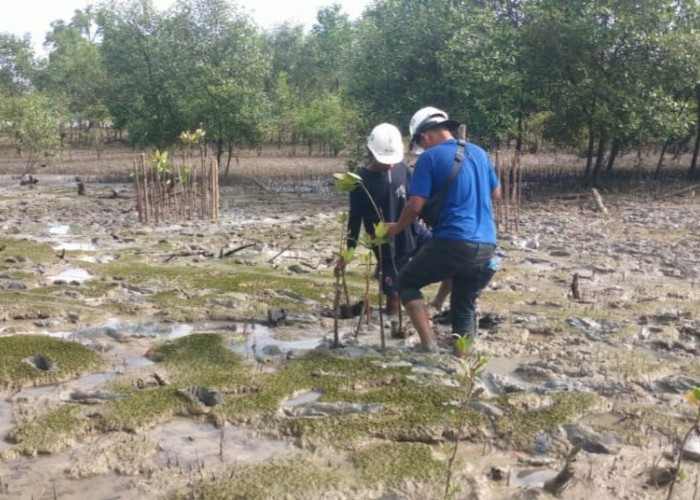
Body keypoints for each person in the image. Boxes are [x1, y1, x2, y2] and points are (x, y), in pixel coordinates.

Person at [386, 106, 501, 352]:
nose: (422, 147)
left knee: (406, 282)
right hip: (487, 244)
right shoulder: (480, 153)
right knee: (464, 305)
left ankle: (428, 346)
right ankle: (463, 360)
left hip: (453, 240)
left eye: (420, 142)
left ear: (424, 136)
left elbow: (415, 206)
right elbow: (496, 193)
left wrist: (396, 227)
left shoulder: (429, 158)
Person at [346, 122, 430, 318]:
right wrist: (347, 254)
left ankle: (434, 303)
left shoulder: (403, 169)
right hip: (384, 242)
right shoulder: (360, 181)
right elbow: (354, 220)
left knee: (443, 254)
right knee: (392, 293)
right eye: (385, 160)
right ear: (370, 152)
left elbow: (415, 201)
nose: (390, 164)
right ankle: (392, 321)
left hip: (411, 232)